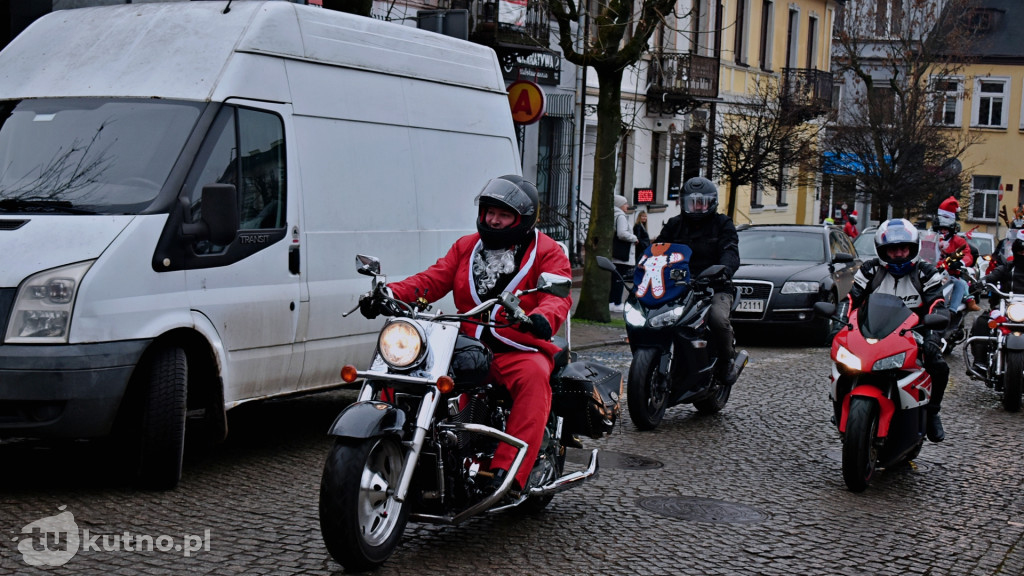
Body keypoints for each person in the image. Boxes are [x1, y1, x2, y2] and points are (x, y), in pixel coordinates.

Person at [360, 175, 572, 496]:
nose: (493, 220)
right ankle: (386, 440)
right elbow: (432, 279)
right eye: (490, 212)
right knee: (403, 369)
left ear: (523, 220)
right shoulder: (466, 247)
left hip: (517, 348)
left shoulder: (548, 251)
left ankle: (507, 473)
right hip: (467, 346)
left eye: (504, 215)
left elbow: (557, 297)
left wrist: (541, 319)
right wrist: (388, 294)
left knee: (533, 379)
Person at [840, 218, 950, 442]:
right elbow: (850, 300)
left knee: (939, 366)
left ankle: (932, 412)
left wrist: (933, 337)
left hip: (914, 333)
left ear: (913, 248)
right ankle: (842, 406)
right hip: (872, 330)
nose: (899, 254)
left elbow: (937, 306)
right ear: (882, 250)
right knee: (843, 363)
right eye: (893, 249)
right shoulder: (870, 270)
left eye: (904, 248)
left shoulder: (926, 273)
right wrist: (838, 327)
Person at [655, 177, 742, 384]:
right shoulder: (675, 225)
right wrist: (642, 267)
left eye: (701, 202)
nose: (696, 207)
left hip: (713, 286)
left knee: (718, 320)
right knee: (652, 317)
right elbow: (657, 249)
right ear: (683, 203)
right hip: (678, 286)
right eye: (691, 202)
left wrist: (724, 270)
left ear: (711, 203)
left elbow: (730, 251)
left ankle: (727, 360)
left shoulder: (722, 224)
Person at [970, 238, 1024, 376]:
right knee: (982, 322)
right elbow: (993, 276)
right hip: (1005, 308)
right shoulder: (1007, 268)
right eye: (1021, 252)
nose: (1023, 255)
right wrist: (982, 282)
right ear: (1015, 252)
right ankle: (980, 362)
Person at [934, 196, 980, 312]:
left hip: (950, 274)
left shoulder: (959, 241)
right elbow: (923, 253)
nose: (943, 232)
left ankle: (952, 311)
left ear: (951, 229)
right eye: (941, 229)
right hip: (932, 274)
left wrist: (960, 262)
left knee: (959, 284)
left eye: (945, 229)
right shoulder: (931, 239)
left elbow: (967, 255)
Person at [609, 194, 638, 313]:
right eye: (625, 203)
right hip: (622, 254)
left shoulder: (613, 215)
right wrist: (634, 238)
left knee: (615, 279)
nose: (627, 205)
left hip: (616, 253)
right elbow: (622, 233)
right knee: (619, 280)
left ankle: (611, 302)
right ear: (619, 205)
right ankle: (617, 303)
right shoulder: (621, 216)